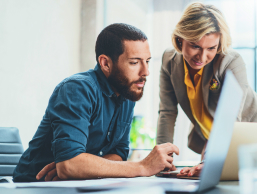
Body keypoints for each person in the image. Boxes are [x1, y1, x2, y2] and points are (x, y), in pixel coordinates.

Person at [13, 23, 179, 182]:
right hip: (33, 185)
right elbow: (69, 165)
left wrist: (82, 168)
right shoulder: (77, 89)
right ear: (105, 63)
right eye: (134, 62)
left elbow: (119, 153)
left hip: (79, 185)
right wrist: (142, 167)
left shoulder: (127, 92)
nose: (146, 72)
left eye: (147, 61)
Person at [156, 2, 257, 178]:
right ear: (180, 39)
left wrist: (208, 160)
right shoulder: (169, 61)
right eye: (195, 46)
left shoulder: (231, 62)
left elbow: (230, 121)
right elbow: (167, 112)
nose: (202, 57)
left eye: (211, 48)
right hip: (215, 140)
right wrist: (163, 159)